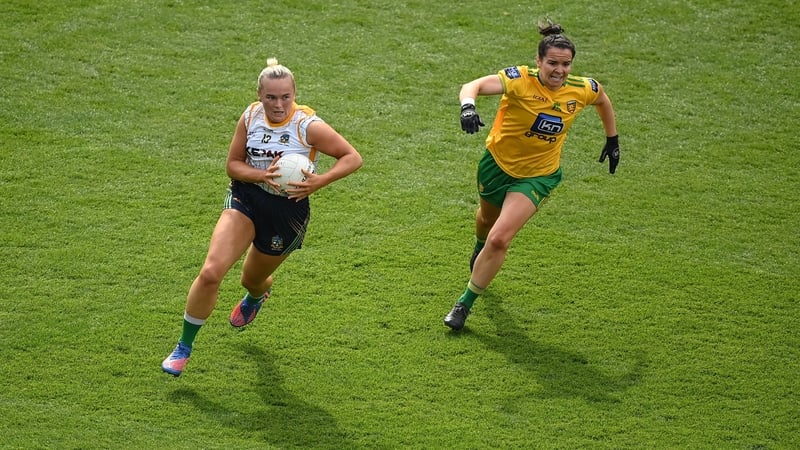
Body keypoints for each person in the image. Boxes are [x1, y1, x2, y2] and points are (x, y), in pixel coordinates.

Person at [162, 58, 363, 376]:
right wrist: (261, 176)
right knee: (211, 272)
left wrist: (319, 181)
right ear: (259, 95)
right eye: (271, 97)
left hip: (287, 212)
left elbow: (352, 157)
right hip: (247, 198)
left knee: (251, 279)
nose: (278, 105)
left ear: (294, 94)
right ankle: (183, 348)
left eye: (285, 97)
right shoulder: (251, 116)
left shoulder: (307, 126)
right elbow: (233, 165)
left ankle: (256, 295)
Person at [444, 19, 620, 331]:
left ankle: (464, 304)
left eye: (566, 64)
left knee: (500, 238)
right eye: (552, 63)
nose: (559, 70)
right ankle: (479, 247)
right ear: (538, 61)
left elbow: (602, 100)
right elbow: (472, 86)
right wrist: (467, 107)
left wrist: (612, 139)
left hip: (539, 176)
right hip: (497, 165)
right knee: (486, 221)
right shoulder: (519, 80)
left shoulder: (582, 89)